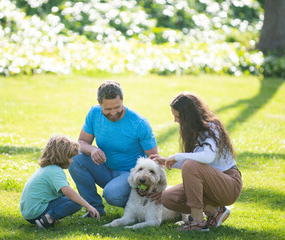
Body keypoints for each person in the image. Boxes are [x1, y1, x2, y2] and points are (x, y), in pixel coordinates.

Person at [150, 91, 242, 232]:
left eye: (177, 116)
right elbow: (195, 165)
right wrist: (169, 161)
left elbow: (206, 158)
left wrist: (177, 156)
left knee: (190, 164)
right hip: (210, 185)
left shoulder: (212, 128)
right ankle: (214, 211)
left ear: (189, 116)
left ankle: (198, 222)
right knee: (167, 198)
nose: (175, 120)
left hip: (229, 184)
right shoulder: (193, 131)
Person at [68, 80, 158, 217]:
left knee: (111, 194)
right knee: (75, 158)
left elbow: (154, 159)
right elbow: (81, 142)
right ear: (100, 104)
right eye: (108, 109)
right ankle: (95, 209)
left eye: (117, 107)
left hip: (131, 175)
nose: (114, 113)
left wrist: (158, 190)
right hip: (104, 169)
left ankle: (140, 208)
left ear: (122, 100)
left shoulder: (139, 123)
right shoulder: (94, 113)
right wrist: (92, 150)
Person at [20, 135, 100, 229]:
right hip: (36, 211)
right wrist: (88, 206)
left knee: (69, 197)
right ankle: (47, 219)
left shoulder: (45, 168)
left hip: (29, 213)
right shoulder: (56, 171)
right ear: (62, 157)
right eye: (70, 157)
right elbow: (67, 191)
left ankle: (50, 217)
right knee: (77, 202)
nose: (72, 161)